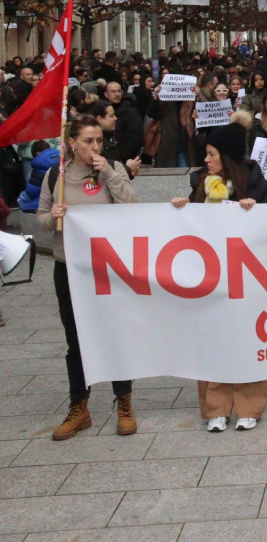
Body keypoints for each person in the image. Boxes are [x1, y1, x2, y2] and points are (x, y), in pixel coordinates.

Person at [170, 118, 267, 430]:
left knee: (248, 340)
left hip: (248, 279)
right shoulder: (200, 184)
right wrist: (181, 208)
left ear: (227, 157)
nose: (206, 160)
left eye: (212, 154)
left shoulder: (259, 185)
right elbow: (191, 228)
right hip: (211, 278)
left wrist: (255, 214)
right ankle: (216, 405)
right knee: (211, 339)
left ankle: (249, 406)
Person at [38, 116, 139, 440]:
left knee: (114, 334)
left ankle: (124, 401)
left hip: (106, 268)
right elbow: (39, 217)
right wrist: (51, 217)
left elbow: (131, 207)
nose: (95, 147)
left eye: (99, 141)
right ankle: (79, 406)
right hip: (68, 265)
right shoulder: (57, 175)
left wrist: (109, 173)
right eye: (88, 141)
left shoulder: (112, 168)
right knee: (76, 339)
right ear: (71, 143)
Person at [103, 79, 143, 163]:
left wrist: (120, 156)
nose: (117, 94)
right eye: (113, 92)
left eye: (119, 91)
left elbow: (134, 137)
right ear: (106, 94)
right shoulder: (102, 109)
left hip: (124, 159)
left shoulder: (131, 111)